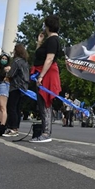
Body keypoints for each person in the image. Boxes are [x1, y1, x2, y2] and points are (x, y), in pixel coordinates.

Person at [30, 14, 63, 143]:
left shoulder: (53, 41)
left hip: (46, 73)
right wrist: (39, 42)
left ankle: (46, 132)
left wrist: (41, 76)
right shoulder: (49, 40)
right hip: (43, 71)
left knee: (45, 102)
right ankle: (45, 130)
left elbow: (49, 59)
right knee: (42, 102)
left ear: (47, 26)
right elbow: (39, 55)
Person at [5, 44, 30, 137]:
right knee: (18, 108)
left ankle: (12, 128)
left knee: (12, 107)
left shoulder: (16, 61)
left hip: (15, 86)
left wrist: (7, 71)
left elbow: (11, 74)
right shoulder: (25, 62)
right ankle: (16, 127)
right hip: (23, 87)